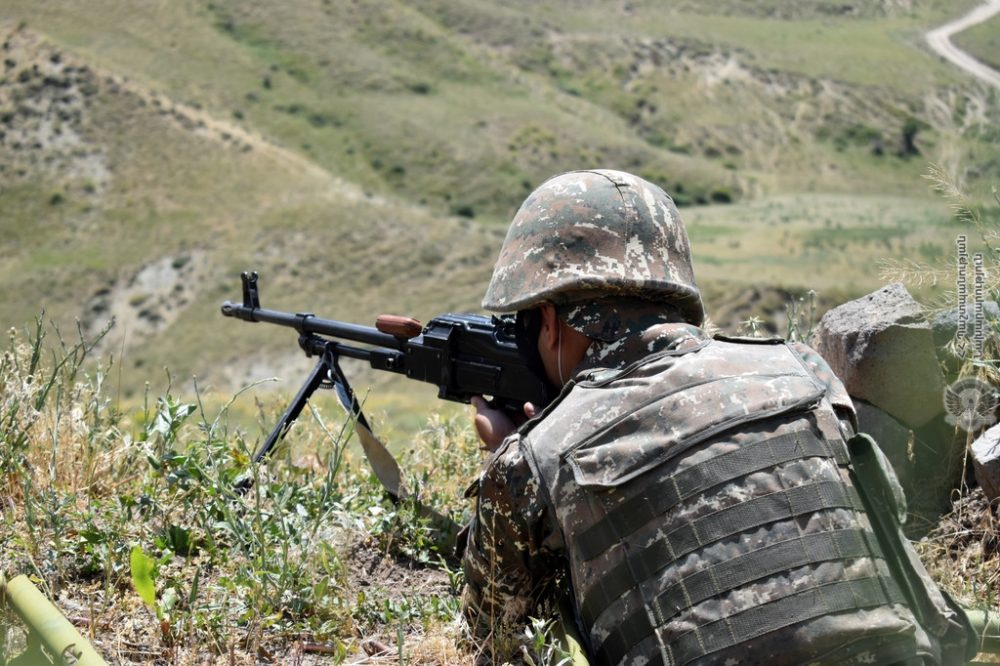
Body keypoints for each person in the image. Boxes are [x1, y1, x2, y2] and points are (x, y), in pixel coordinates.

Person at [460, 169, 974, 665]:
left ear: (549, 320)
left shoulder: (538, 456)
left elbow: (492, 632)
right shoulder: (804, 371)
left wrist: (511, 462)